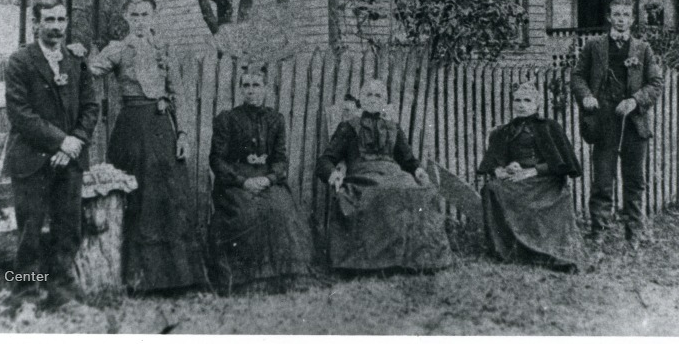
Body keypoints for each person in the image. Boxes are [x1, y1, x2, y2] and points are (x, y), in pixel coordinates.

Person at [88, 0, 207, 292]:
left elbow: (177, 91)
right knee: (137, 198)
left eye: (145, 14)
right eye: (135, 15)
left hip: (161, 129)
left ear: (154, 16)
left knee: (169, 196)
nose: (140, 20)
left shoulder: (163, 48)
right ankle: (138, 280)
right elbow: (90, 71)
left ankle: (180, 279)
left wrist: (181, 133)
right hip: (131, 130)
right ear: (126, 16)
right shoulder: (116, 48)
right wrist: (76, 56)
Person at [5, 0, 100, 308]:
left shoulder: (76, 62)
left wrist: (75, 142)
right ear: (37, 23)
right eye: (49, 19)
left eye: (61, 19)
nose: (57, 26)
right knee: (29, 233)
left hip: (69, 162)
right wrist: (62, 142)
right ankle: (26, 298)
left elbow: (90, 107)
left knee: (68, 230)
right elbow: (21, 114)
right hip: (33, 161)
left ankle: (61, 293)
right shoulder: (20, 61)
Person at [316, 79, 453, 272]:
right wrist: (333, 174)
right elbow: (325, 160)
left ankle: (420, 260)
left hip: (394, 175)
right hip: (362, 176)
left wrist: (419, 171)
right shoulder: (348, 127)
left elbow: (408, 160)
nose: (373, 99)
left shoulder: (393, 128)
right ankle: (373, 263)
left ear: (385, 101)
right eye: (368, 95)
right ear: (361, 100)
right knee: (381, 192)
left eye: (378, 95)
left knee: (422, 192)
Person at [208, 66, 313, 292]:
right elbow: (217, 159)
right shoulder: (227, 119)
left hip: (266, 179)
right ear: (240, 89)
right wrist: (242, 181)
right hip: (235, 182)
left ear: (266, 89)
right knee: (247, 213)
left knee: (282, 210)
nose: (251, 91)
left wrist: (269, 178)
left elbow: (280, 159)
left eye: (256, 86)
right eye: (246, 86)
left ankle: (284, 279)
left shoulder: (276, 120)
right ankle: (247, 282)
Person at [571, 0, 663, 246]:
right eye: (616, 14)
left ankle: (634, 233)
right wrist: (587, 96)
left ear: (632, 20)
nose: (621, 19)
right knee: (602, 180)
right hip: (604, 121)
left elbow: (656, 84)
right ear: (609, 18)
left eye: (626, 15)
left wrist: (634, 101)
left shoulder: (643, 49)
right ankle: (598, 232)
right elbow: (578, 75)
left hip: (634, 123)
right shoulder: (594, 46)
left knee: (634, 181)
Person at [477, 82, 585, 271]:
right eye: (517, 100)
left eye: (527, 100)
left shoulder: (550, 127)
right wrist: (502, 169)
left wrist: (532, 170)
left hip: (544, 180)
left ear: (536, 104)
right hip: (517, 178)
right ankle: (507, 249)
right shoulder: (505, 130)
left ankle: (541, 249)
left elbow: (563, 163)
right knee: (491, 188)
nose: (521, 105)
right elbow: (494, 161)